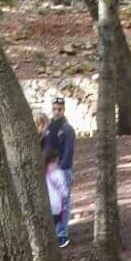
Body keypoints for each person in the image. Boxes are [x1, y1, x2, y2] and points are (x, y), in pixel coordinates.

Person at [41, 95, 75, 245]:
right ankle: (53, 232)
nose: (57, 112)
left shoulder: (68, 129)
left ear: (64, 109)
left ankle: (62, 234)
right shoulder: (49, 129)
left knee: (64, 203)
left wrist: (61, 168)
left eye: (59, 109)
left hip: (62, 170)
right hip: (48, 171)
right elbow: (45, 148)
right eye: (55, 109)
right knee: (51, 203)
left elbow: (68, 151)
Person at [44, 148, 69, 242]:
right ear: (55, 159)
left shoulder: (41, 173)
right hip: (56, 206)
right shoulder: (59, 173)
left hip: (44, 206)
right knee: (54, 225)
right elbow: (64, 192)